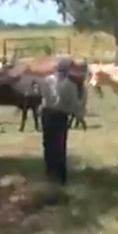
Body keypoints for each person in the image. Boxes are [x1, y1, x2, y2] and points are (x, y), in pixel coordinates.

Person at [40, 57, 84, 185]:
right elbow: (75, 104)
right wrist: (80, 112)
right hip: (60, 116)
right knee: (59, 146)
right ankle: (60, 177)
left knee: (48, 145)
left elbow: (43, 96)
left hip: (46, 114)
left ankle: (50, 172)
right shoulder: (70, 85)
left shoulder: (46, 80)